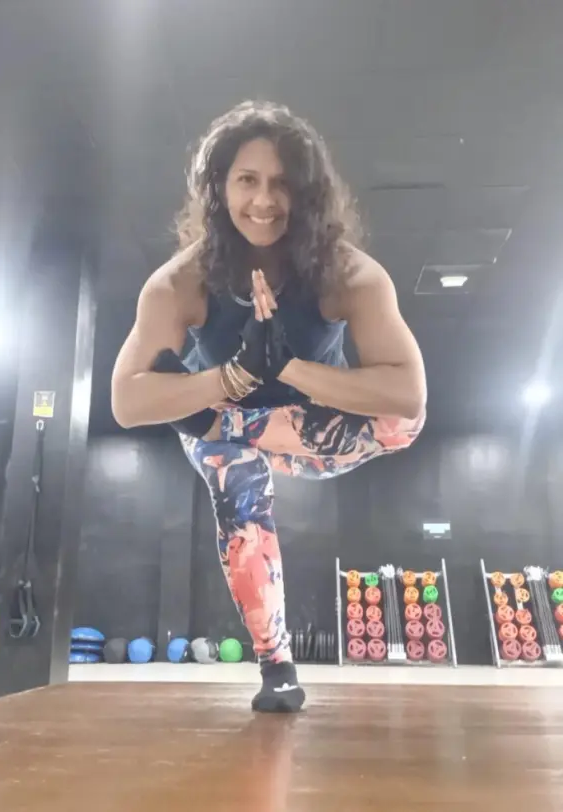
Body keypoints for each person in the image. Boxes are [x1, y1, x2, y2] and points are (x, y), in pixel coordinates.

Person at [111, 100, 426, 713]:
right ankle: (276, 664)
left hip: (304, 430)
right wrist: (234, 374)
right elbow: (126, 401)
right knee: (234, 480)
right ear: (219, 189)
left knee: (404, 423)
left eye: (281, 183)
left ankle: (228, 422)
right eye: (247, 181)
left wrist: (287, 368)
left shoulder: (349, 274)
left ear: (306, 193)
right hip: (222, 433)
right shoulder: (179, 283)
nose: (264, 200)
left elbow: (408, 395)